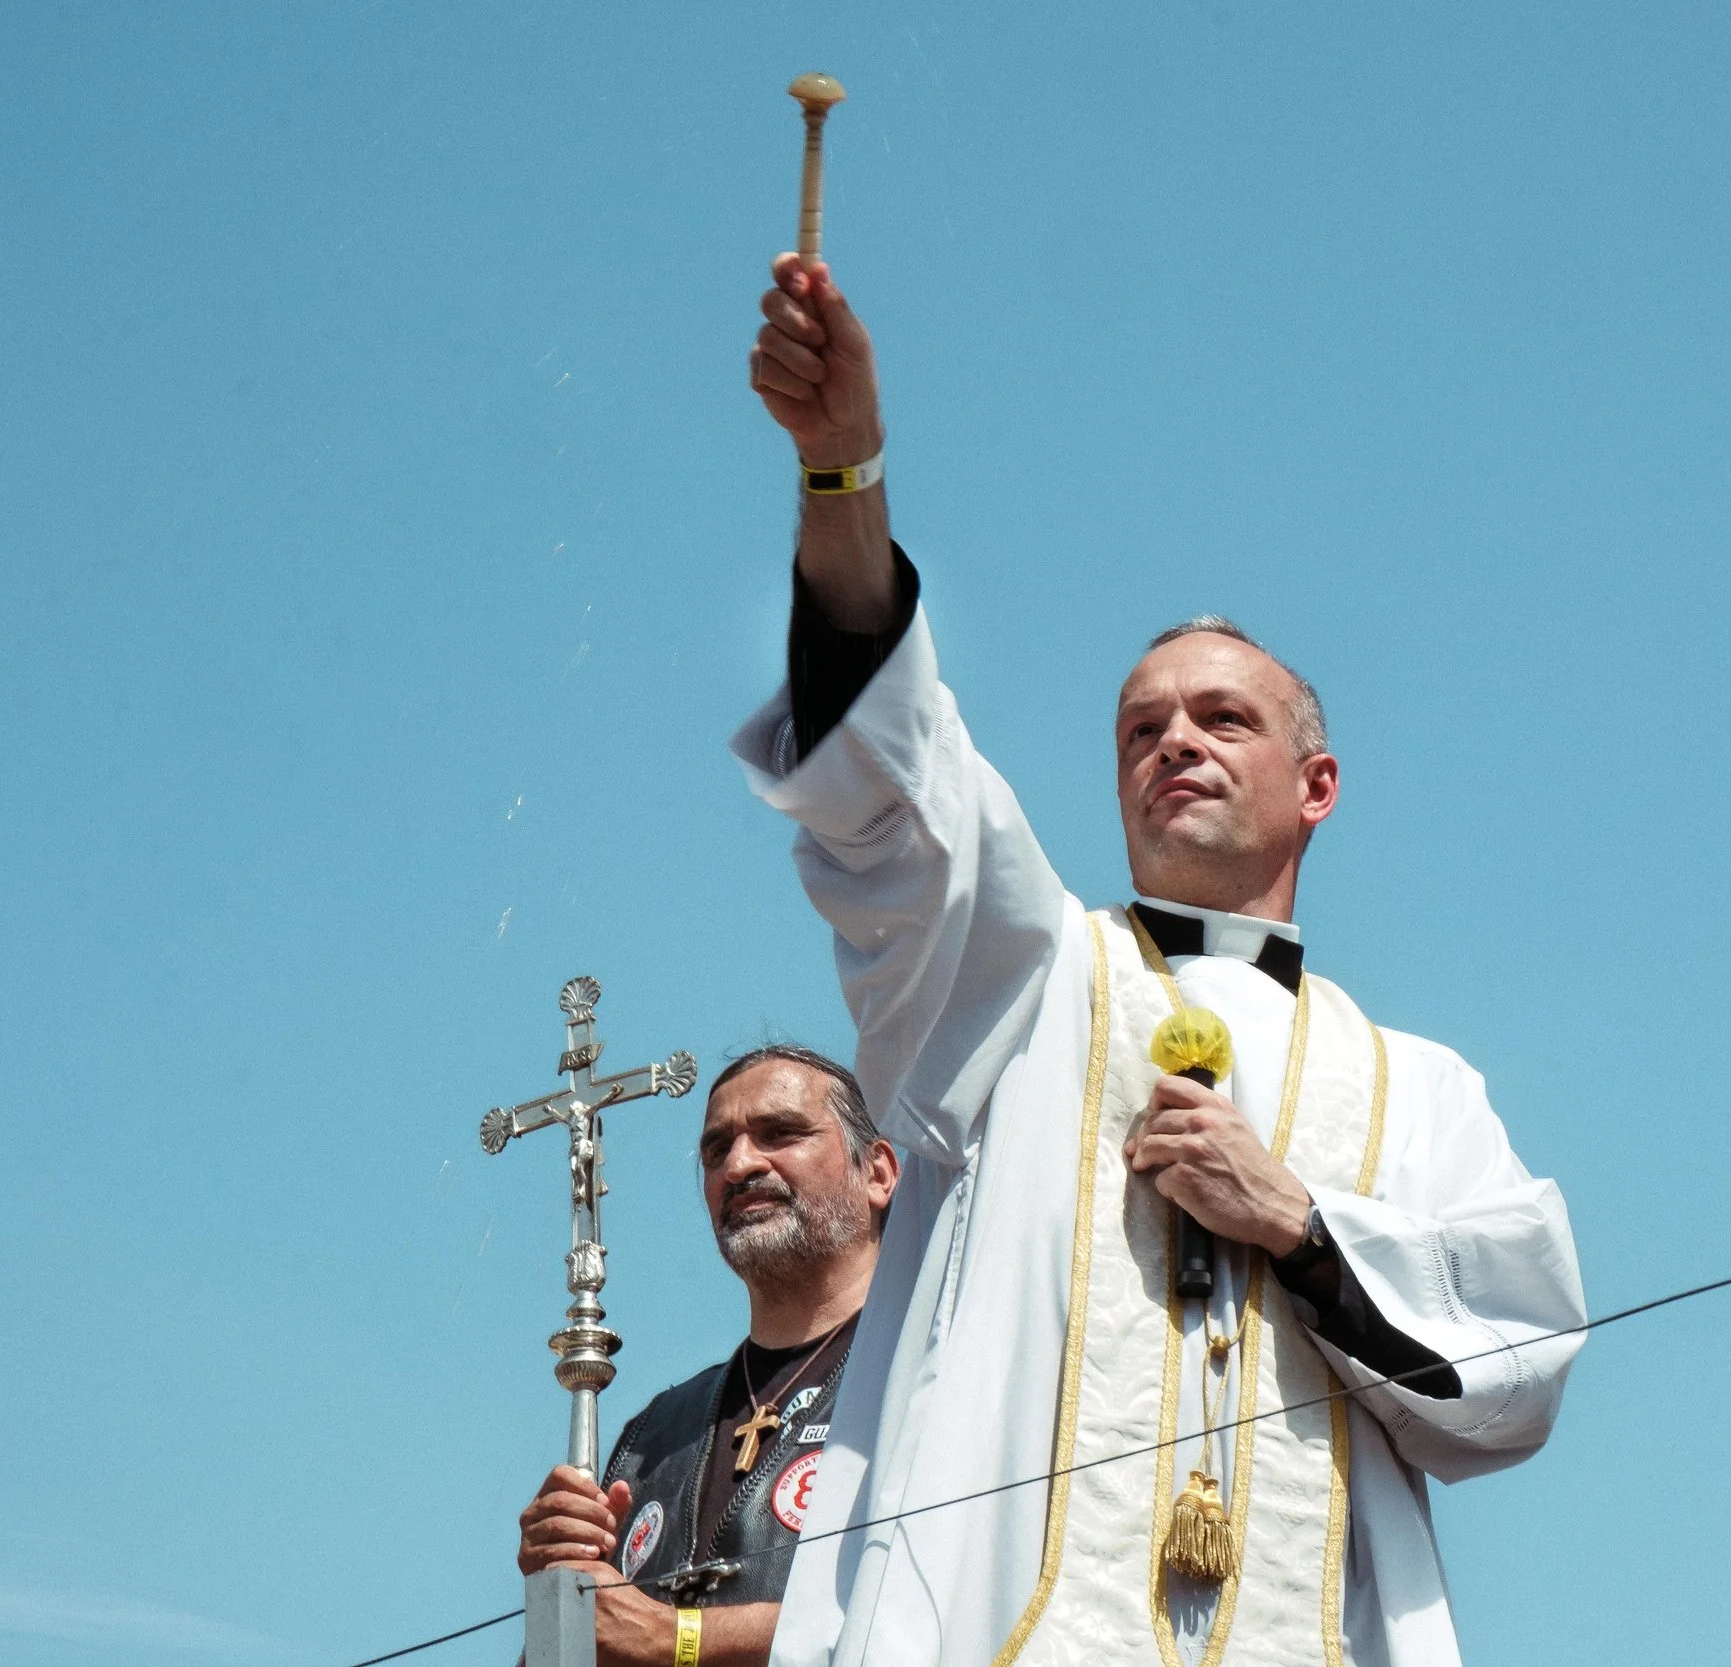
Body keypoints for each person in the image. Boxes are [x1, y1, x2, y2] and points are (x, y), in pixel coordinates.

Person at [733, 253, 1588, 1667]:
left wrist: (1301, 1223)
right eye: (1140, 728)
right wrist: (844, 471)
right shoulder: (1025, 978)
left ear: (1318, 784)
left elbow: (1520, 1363)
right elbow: (901, 788)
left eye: (1219, 719)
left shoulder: (1422, 1089)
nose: (1173, 743)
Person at [516, 1044, 900, 1667]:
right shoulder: (655, 1437)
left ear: (878, 1172)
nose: (741, 1163)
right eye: (716, 1150)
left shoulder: (928, 1368)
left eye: (781, 1133)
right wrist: (558, 1597)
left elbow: (957, 1599)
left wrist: (683, 1641)